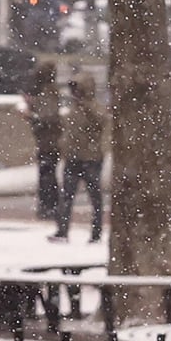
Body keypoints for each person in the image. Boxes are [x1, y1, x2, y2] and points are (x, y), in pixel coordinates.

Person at [55, 78, 107, 244]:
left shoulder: (94, 108)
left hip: (90, 159)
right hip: (72, 159)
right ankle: (62, 230)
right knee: (67, 196)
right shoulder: (73, 109)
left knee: (95, 198)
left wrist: (87, 107)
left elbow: (102, 122)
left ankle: (96, 232)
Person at [27, 56, 65, 230]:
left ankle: (49, 206)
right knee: (47, 173)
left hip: (48, 142)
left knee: (47, 174)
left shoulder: (48, 92)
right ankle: (50, 205)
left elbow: (47, 118)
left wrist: (31, 116)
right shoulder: (48, 92)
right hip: (47, 141)